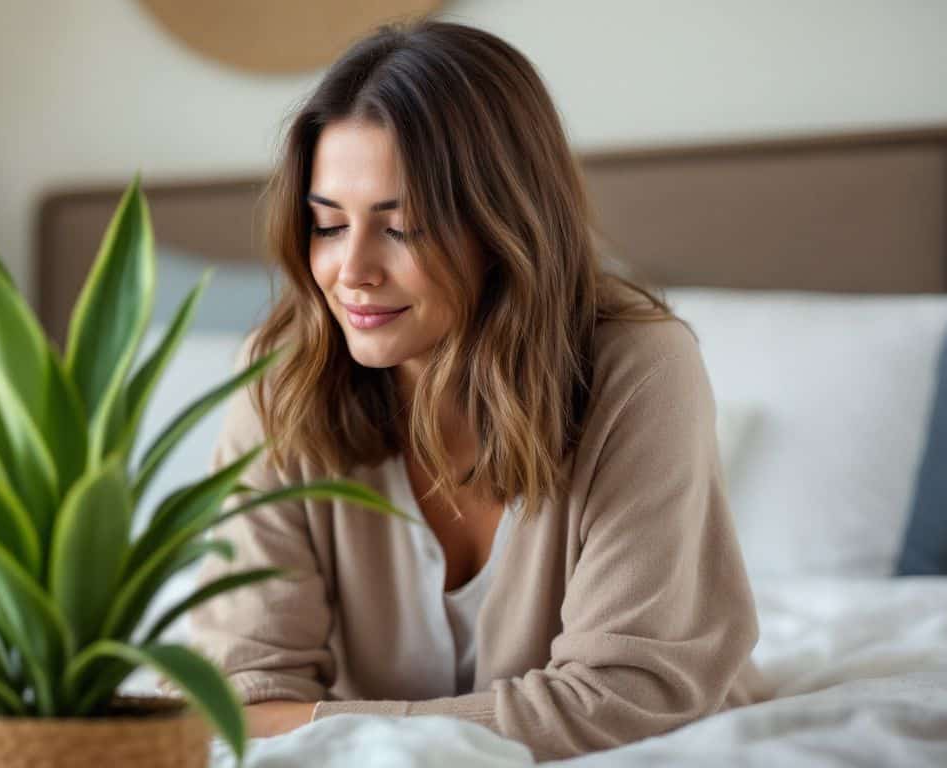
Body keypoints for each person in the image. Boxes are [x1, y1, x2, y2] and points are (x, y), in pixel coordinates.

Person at [188, 19, 764, 762]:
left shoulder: (640, 366)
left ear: (504, 226)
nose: (352, 270)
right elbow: (237, 698)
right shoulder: (282, 382)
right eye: (329, 225)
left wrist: (320, 721)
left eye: (403, 229)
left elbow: (626, 701)